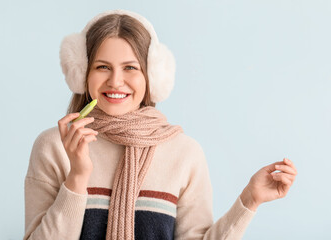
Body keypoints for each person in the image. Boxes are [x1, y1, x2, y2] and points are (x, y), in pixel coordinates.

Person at [23, 9, 297, 240]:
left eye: (131, 68)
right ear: (82, 72)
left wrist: (250, 200)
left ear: (153, 76)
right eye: (102, 67)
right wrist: (77, 177)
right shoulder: (53, 146)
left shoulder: (185, 153)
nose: (116, 81)